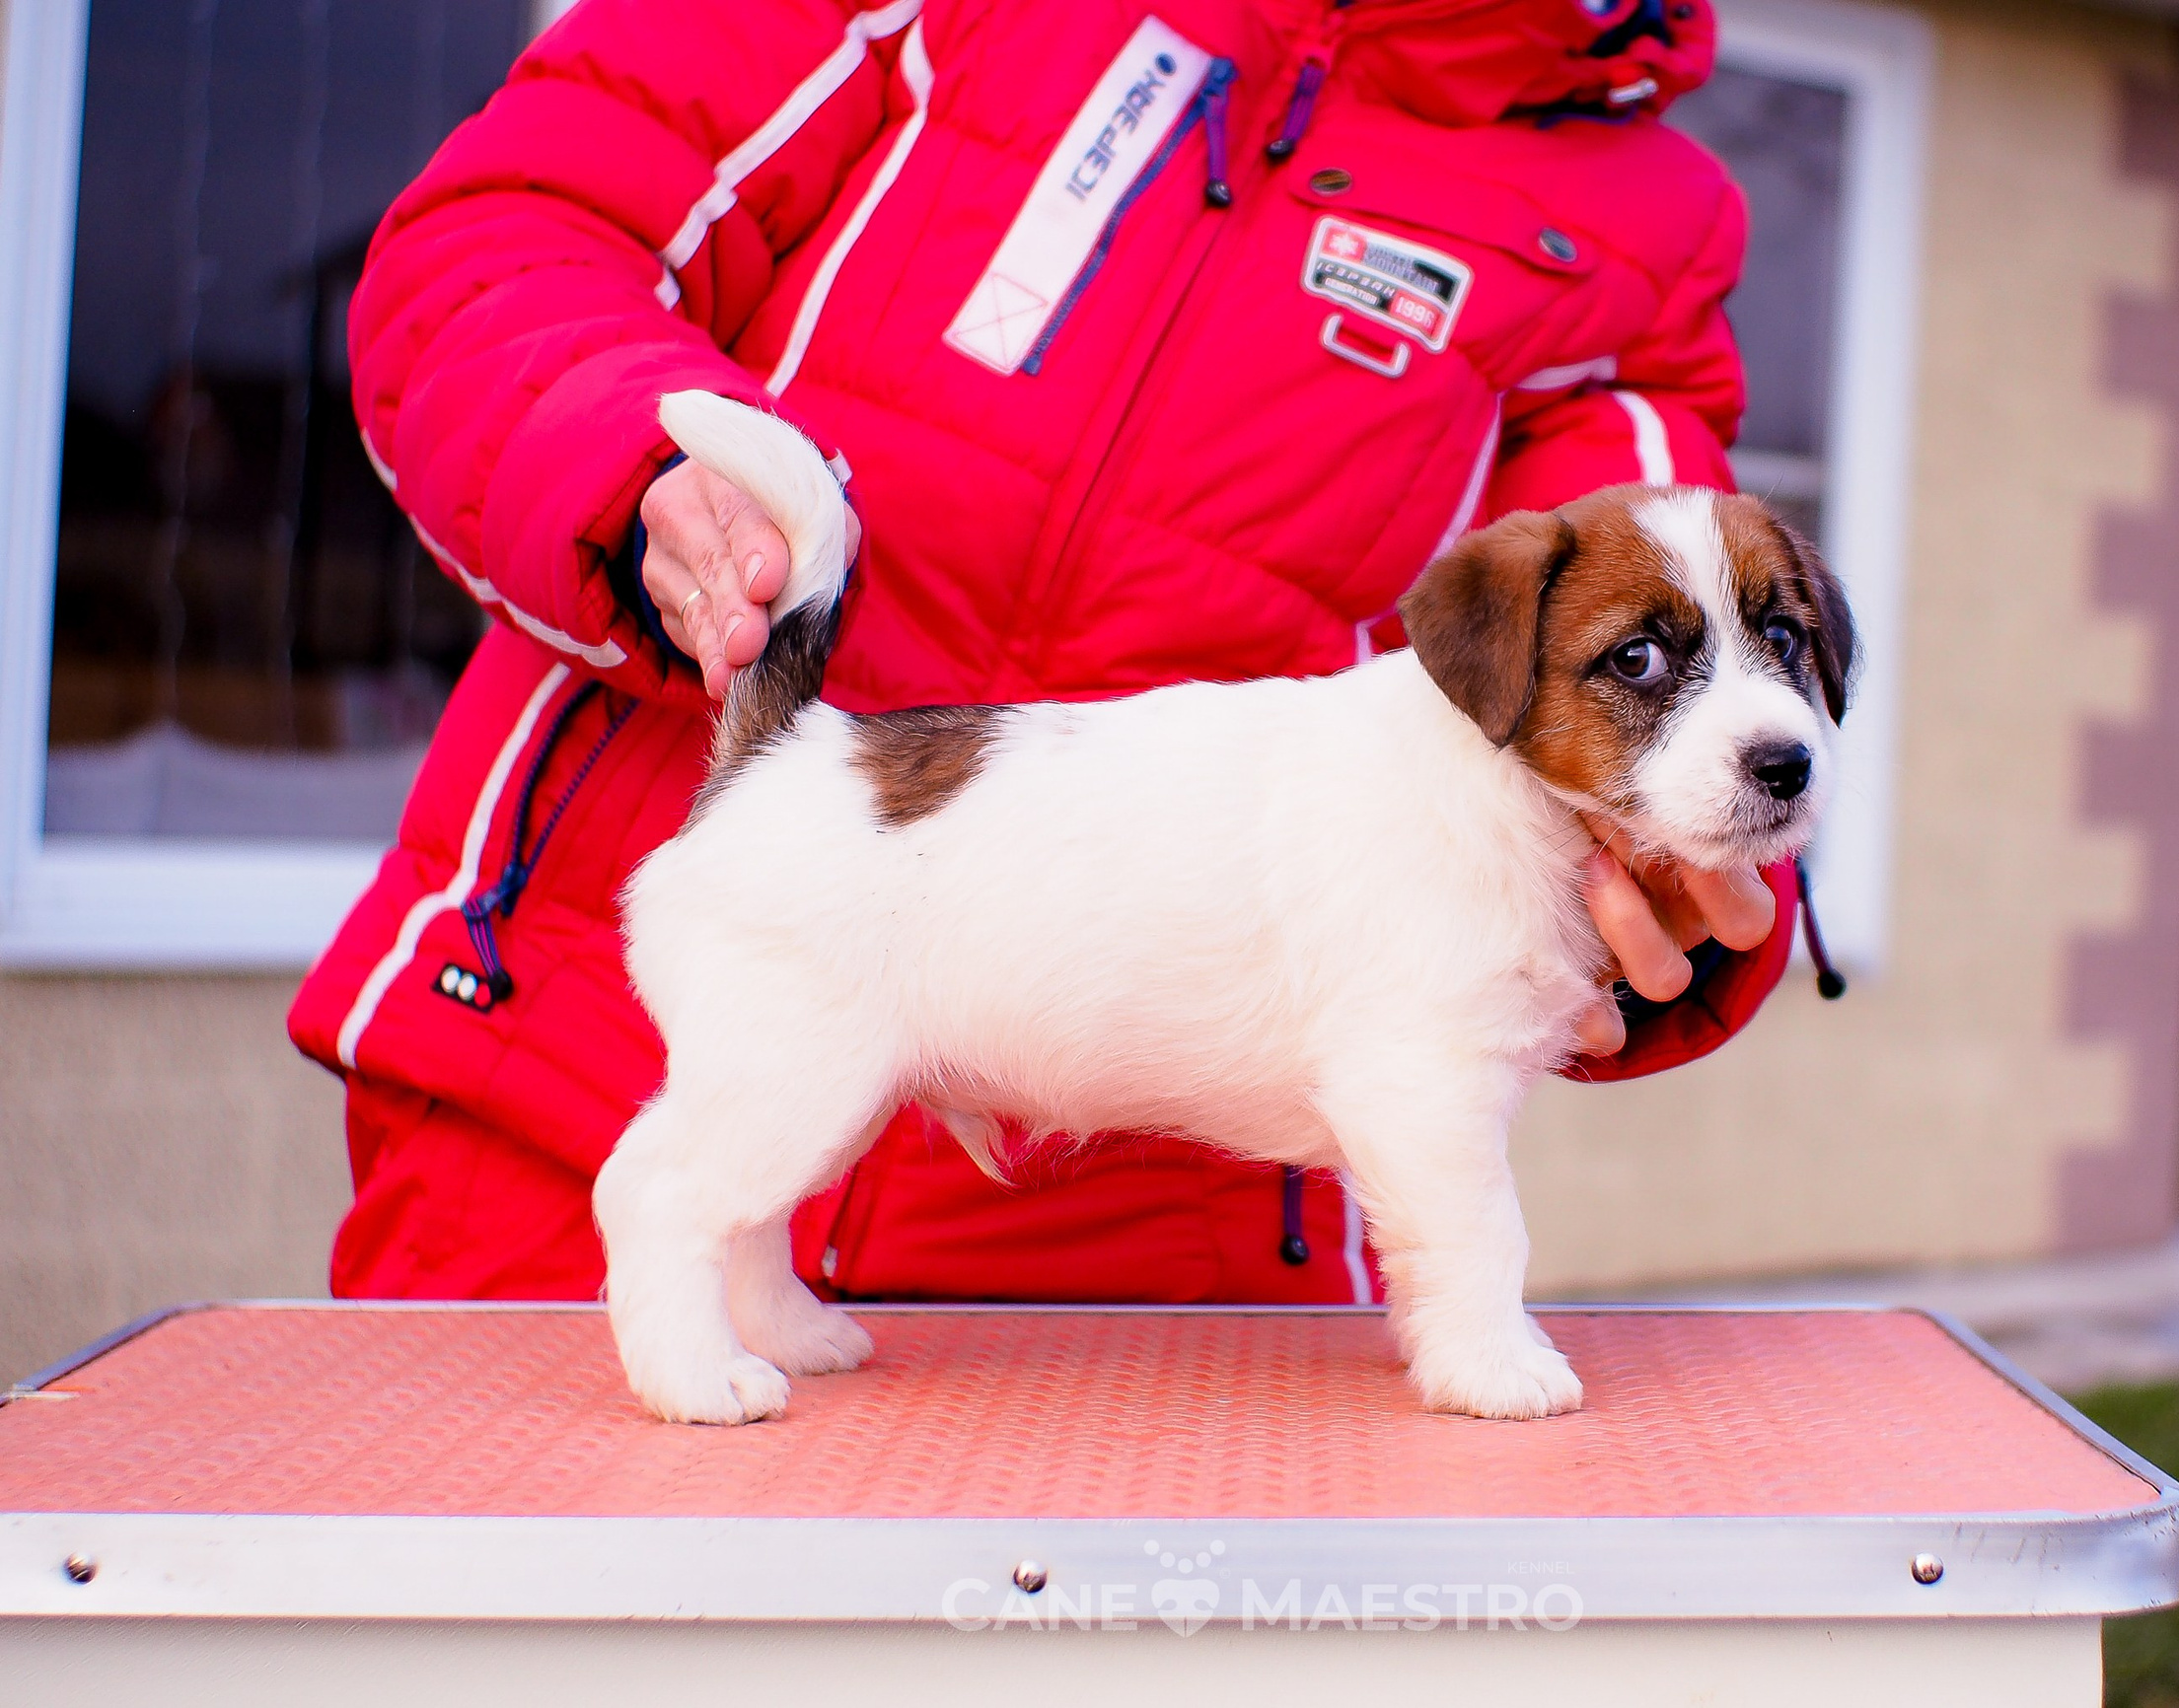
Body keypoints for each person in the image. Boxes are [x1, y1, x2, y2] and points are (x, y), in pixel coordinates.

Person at [288, 0, 1796, 1307]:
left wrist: (1666, 887)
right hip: (576, 1076)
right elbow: (513, 232)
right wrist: (629, 452)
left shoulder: (1644, 221)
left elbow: (1655, 631)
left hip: (1144, 1205)